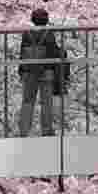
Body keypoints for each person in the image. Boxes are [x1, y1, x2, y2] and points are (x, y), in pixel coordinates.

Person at [18, 8, 60, 137]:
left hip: (29, 71)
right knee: (46, 102)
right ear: (46, 20)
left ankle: (24, 131)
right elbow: (54, 53)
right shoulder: (49, 33)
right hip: (46, 71)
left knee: (27, 101)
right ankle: (46, 130)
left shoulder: (27, 33)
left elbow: (23, 53)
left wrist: (21, 70)